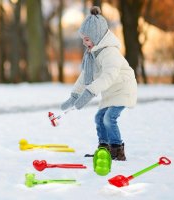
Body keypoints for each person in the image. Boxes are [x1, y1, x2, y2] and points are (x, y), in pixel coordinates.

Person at [61, 6, 137, 161]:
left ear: (96, 37)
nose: (84, 43)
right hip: (110, 92)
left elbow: (108, 77)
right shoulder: (92, 54)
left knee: (109, 118)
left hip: (123, 89)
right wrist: (74, 96)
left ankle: (117, 151)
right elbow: (85, 76)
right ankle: (104, 148)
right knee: (99, 118)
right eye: (83, 39)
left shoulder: (110, 52)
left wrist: (89, 93)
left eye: (87, 39)